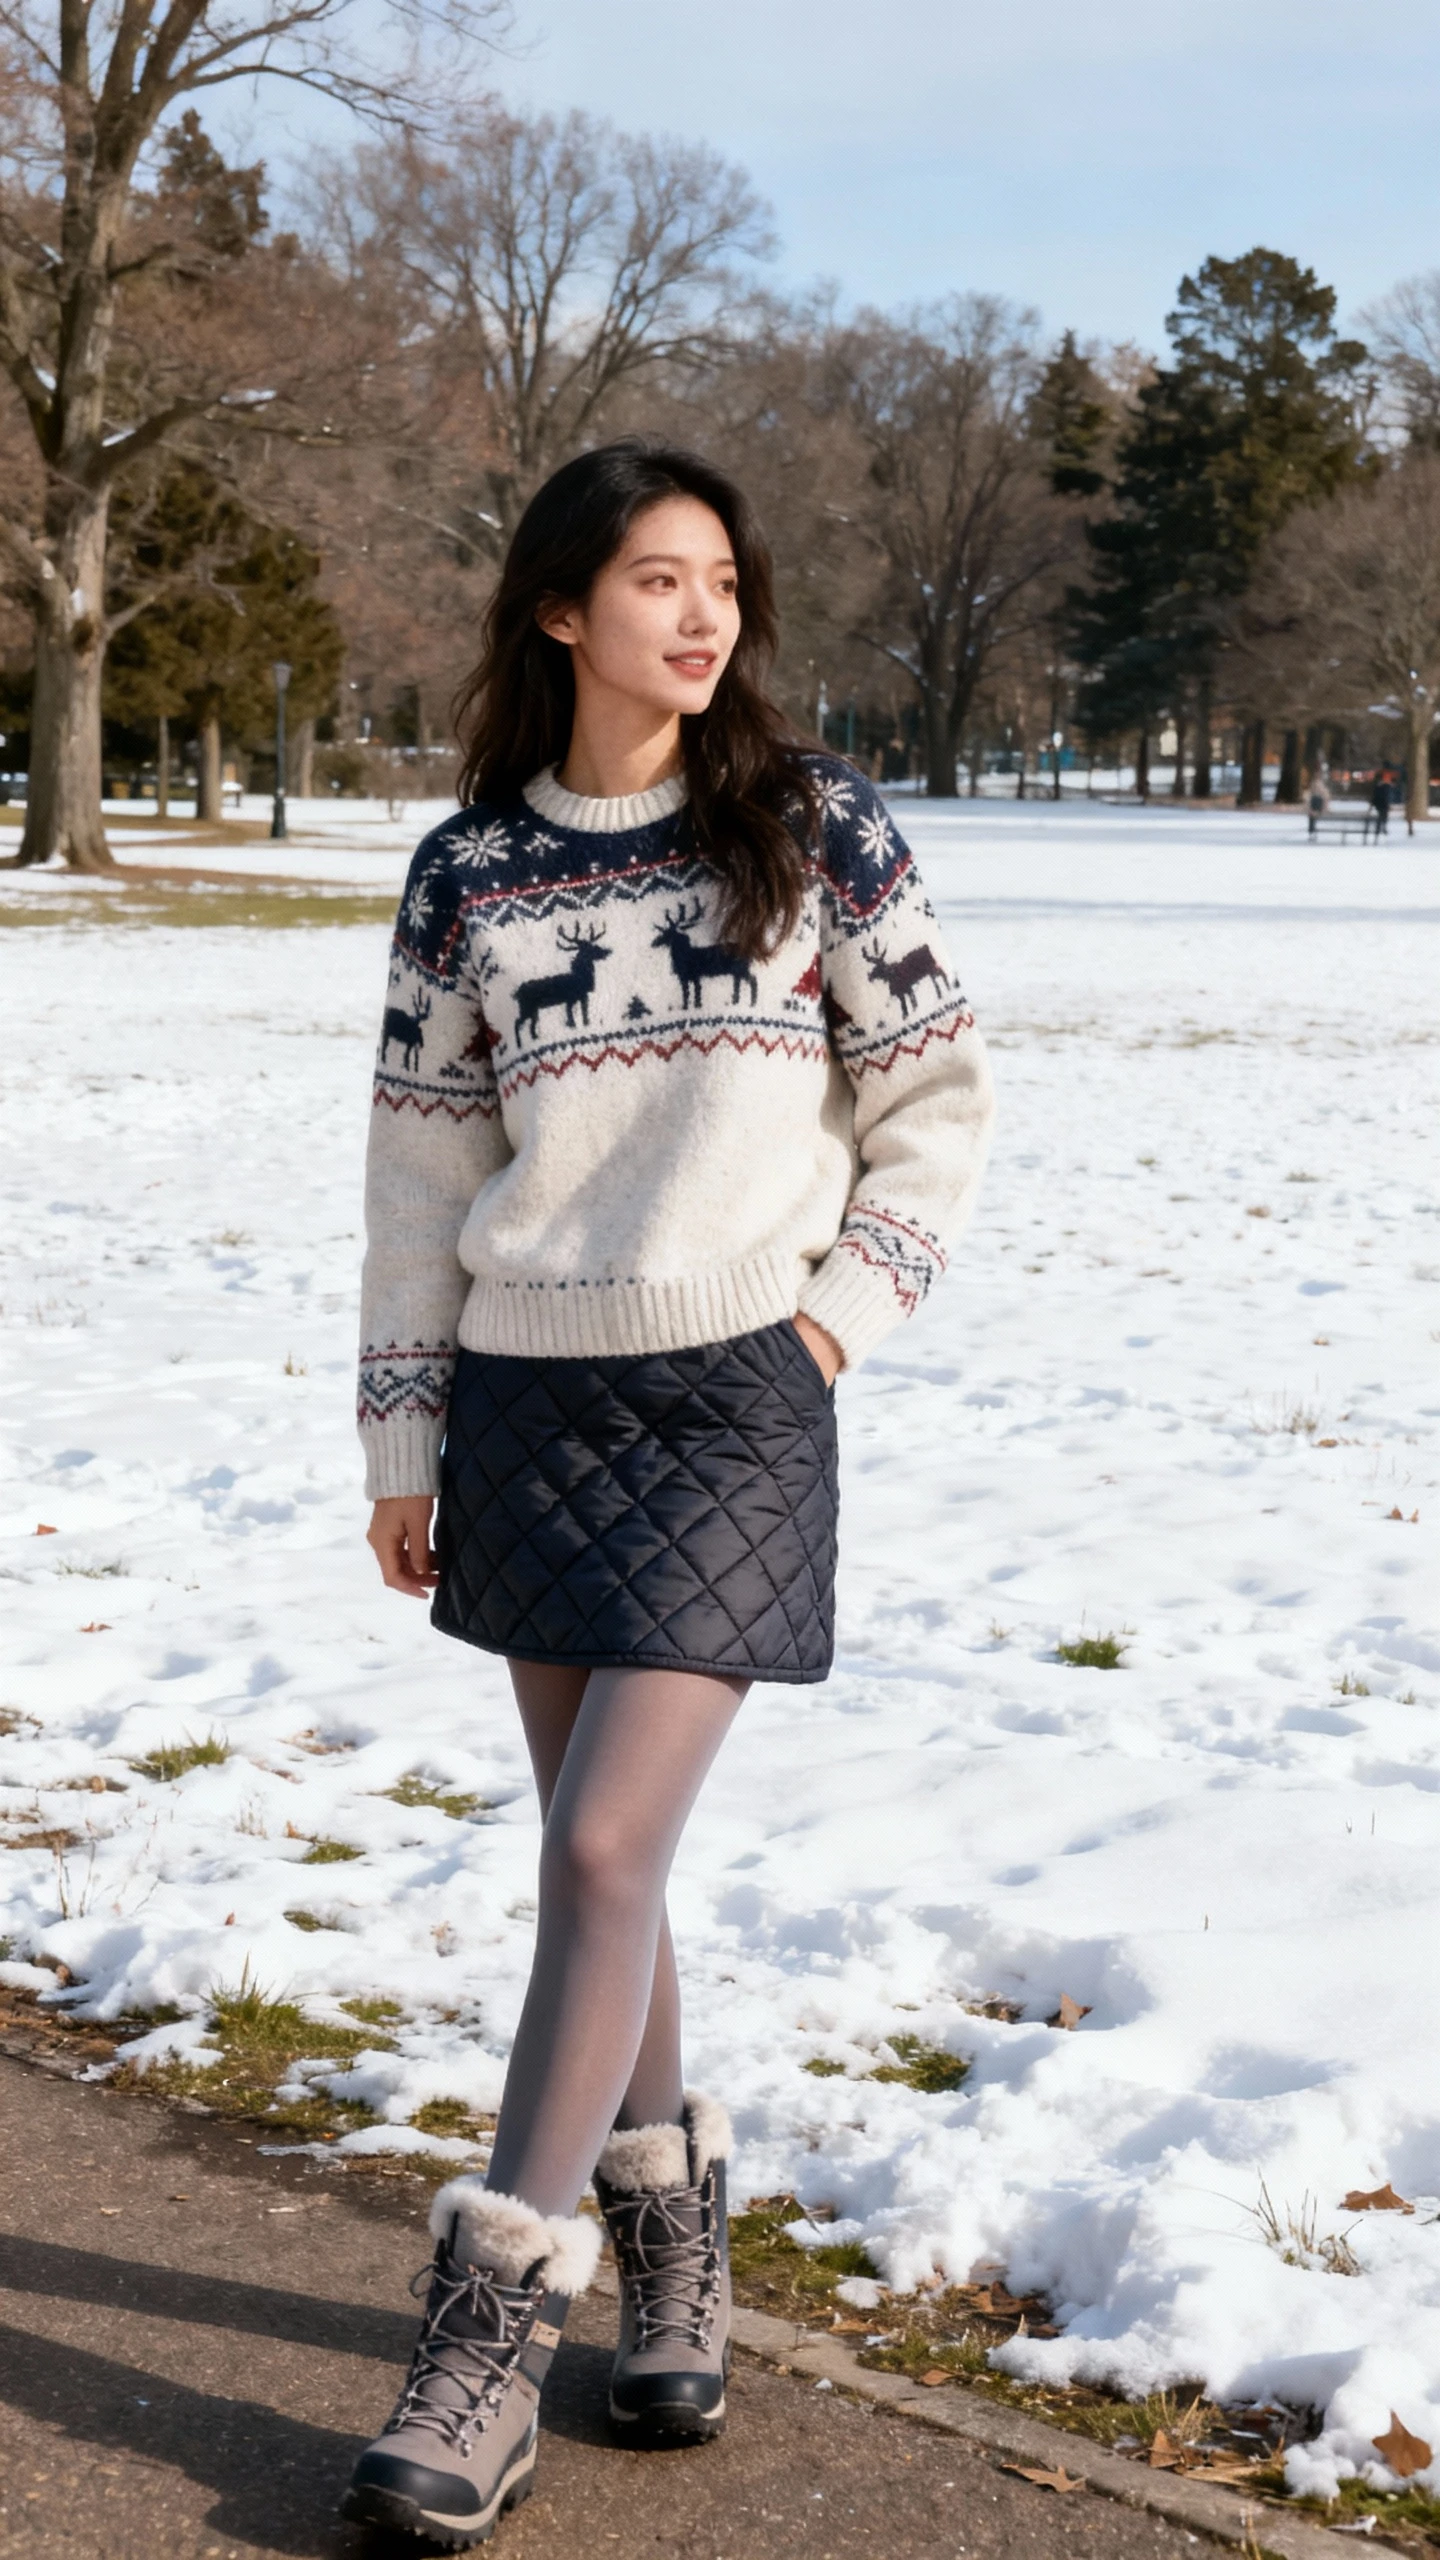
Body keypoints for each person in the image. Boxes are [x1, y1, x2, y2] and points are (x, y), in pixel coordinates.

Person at [343, 439, 994, 2545]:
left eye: (721, 579)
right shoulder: (468, 871)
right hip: (529, 1407)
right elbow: (422, 1174)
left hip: (736, 1402)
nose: (702, 614)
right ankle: (674, 2243)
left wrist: (829, 1329)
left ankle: (483, 2344)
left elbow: (938, 1104)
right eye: (654, 579)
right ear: (561, 609)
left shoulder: (814, 827)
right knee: (595, 1865)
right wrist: (404, 1435)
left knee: (608, 1840)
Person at [1367, 768, 1393, 841]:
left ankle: (1380, 827)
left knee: (1382, 815)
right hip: (1382, 803)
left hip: (1380, 803)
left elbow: (1375, 795)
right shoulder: (1383, 786)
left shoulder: (1380, 786)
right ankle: (1382, 827)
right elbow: (1384, 795)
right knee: (1383, 815)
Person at [1306, 767, 1329, 840]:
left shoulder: (1321, 785)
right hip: (1315, 804)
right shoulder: (1314, 784)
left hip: (1319, 804)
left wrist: (1323, 808)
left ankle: (1312, 831)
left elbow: (1325, 797)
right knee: (1311, 817)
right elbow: (1310, 796)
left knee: (1312, 816)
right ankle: (1312, 831)